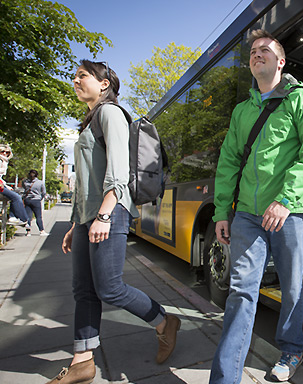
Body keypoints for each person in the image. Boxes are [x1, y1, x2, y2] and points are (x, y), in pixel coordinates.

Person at [45, 60, 181, 384]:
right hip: (87, 217)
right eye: (75, 76)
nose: (76, 80)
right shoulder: (89, 120)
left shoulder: (110, 114)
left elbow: (118, 173)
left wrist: (104, 215)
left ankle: (165, 322)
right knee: (83, 290)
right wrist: (74, 222)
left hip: (111, 211)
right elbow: (84, 182)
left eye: (83, 76)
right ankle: (82, 361)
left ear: (104, 84)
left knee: (109, 287)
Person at [209, 30, 303, 383]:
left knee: (291, 286)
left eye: (265, 50)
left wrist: (285, 201)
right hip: (246, 213)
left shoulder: (301, 101)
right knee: (242, 290)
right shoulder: (242, 111)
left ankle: (291, 349)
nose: (257, 55)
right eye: (253, 52)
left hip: (290, 211)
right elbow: (228, 163)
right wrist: (221, 212)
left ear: (281, 61)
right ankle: (225, 377)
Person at [0, 144, 29, 226]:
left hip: (1, 184)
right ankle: (23, 219)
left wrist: (6, 186)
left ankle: (13, 217)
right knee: (16, 197)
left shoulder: (4, 161)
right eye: (2, 151)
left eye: (7, 152)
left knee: (15, 196)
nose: (4, 154)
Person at [22, 169, 48, 236]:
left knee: (28, 217)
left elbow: (24, 190)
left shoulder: (25, 182)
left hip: (27, 200)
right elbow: (43, 192)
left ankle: (28, 232)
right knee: (38, 216)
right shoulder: (40, 183)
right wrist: (40, 198)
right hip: (36, 200)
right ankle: (41, 231)